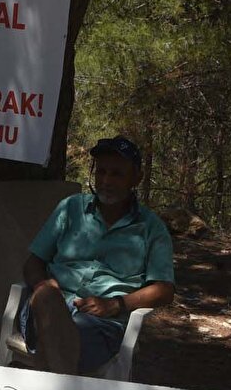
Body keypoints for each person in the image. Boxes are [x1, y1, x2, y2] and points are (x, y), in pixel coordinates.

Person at [21, 136, 175, 375]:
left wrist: (117, 304)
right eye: (101, 172)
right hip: (47, 308)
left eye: (116, 174)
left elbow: (164, 290)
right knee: (46, 300)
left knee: (60, 343)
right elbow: (33, 262)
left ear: (137, 178)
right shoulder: (70, 208)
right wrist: (42, 284)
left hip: (100, 325)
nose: (106, 181)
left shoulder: (151, 227)